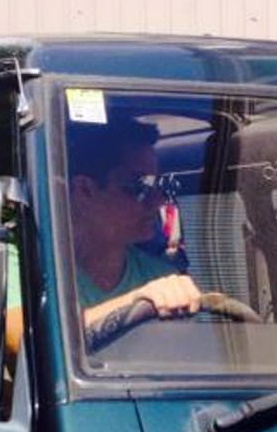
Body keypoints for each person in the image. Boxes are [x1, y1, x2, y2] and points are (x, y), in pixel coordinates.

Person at [67, 118, 201, 335]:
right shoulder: (33, 267)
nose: (157, 201)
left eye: (156, 185)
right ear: (85, 190)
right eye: (139, 186)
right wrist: (137, 301)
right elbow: (20, 339)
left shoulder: (161, 276)